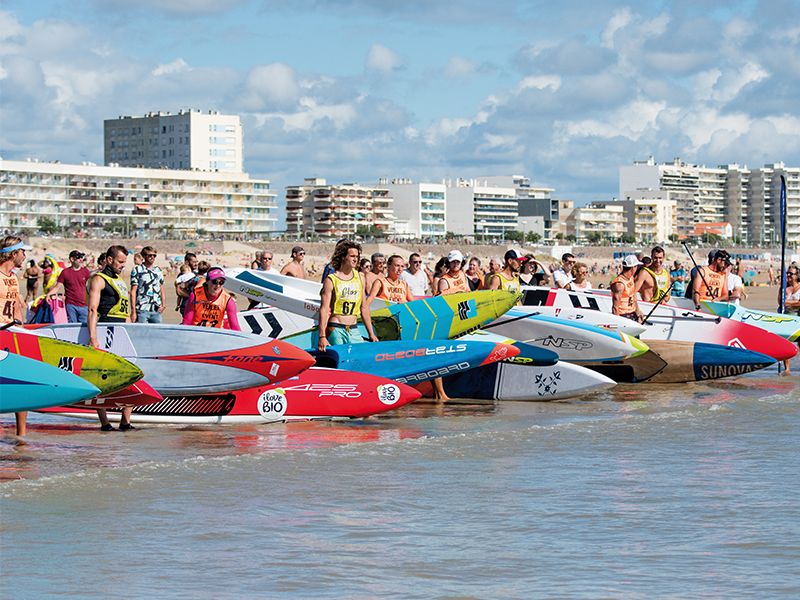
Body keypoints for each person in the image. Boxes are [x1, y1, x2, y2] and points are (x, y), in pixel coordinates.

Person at [87, 245, 134, 432]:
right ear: (109, 259)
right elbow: (92, 309)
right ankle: (105, 423)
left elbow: (126, 311)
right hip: (106, 330)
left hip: (122, 331)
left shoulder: (120, 280)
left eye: (125, 262)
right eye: (120, 262)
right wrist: (93, 337)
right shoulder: (99, 280)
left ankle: (125, 421)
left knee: (131, 374)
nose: (123, 266)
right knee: (102, 377)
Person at [318, 241, 378, 352]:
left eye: (357, 256)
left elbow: (364, 307)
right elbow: (324, 309)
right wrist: (322, 336)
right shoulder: (331, 280)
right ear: (343, 257)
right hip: (336, 327)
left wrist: (371, 333)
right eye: (352, 256)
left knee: (359, 357)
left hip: (354, 328)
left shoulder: (360, 277)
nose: (355, 259)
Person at [1, 236, 32, 437]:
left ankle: (21, 436)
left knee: (22, 381)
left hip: (12, 334)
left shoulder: (13, 277)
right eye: (22, 252)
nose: (25, 256)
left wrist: (24, 333)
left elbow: (17, 310)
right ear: (13, 254)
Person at [48, 250, 91, 323]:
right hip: (70, 304)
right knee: (72, 325)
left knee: (84, 327)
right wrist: (48, 295)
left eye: (81, 257)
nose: (80, 259)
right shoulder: (65, 272)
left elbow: (90, 287)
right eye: (78, 257)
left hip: (84, 304)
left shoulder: (86, 271)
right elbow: (57, 287)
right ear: (72, 259)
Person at [130, 246, 166, 323]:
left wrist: (163, 305)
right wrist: (133, 311)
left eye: (154, 255)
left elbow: (161, 288)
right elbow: (133, 291)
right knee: (142, 333)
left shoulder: (158, 270)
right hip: (142, 308)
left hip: (156, 309)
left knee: (156, 333)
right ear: (144, 256)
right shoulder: (137, 270)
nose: (152, 257)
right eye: (150, 255)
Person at [611, 255, 644, 322]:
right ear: (633, 268)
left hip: (632, 313)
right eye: (637, 266)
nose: (637, 268)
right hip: (623, 315)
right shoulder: (620, 283)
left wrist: (638, 311)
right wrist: (617, 322)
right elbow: (615, 307)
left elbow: (633, 295)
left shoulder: (630, 277)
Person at [782, 266, 800, 371]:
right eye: (787, 273)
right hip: (785, 318)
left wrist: (788, 303)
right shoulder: (784, 288)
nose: (788, 275)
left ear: (797, 276)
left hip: (798, 318)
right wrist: (795, 303)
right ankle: (787, 369)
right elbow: (781, 303)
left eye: (791, 274)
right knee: (785, 343)